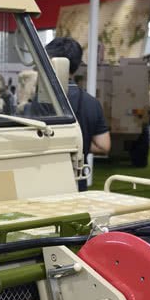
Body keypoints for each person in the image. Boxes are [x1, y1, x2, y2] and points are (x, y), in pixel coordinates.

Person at [44, 37, 110, 191]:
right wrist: (80, 143)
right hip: (77, 180)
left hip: (44, 180)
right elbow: (104, 146)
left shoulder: (41, 100)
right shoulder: (91, 103)